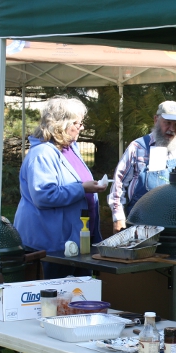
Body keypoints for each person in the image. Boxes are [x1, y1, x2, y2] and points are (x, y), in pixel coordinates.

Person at [14, 96, 107, 279]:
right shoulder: (42, 153)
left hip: (75, 241)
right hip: (51, 244)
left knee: (79, 296)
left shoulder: (70, 148)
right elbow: (44, 196)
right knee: (56, 299)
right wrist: (82, 188)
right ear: (61, 124)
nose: (81, 127)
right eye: (77, 123)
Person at [108, 100, 176, 233]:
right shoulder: (138, 147)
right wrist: (118, 218)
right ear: (156, 120)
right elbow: (119, 184)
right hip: (140, 226)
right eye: (168, 123)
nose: (172, 129)